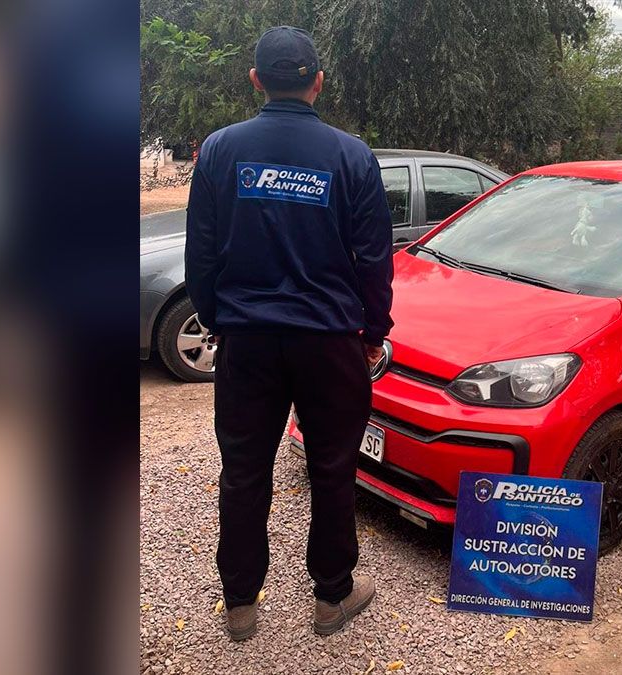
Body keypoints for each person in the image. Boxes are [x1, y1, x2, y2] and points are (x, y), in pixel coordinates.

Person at [184, 25, 394, 640]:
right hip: (329, 342)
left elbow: (201, 256)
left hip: (248, 342)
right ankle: (332, 596)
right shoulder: (351, 156)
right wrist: (373, 331)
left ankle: (240, 604)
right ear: (317, 82)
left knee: (244, 470)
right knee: (332, 467)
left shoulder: (219, 151)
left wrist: (221, 320)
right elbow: (374, 260)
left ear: (256, 80)